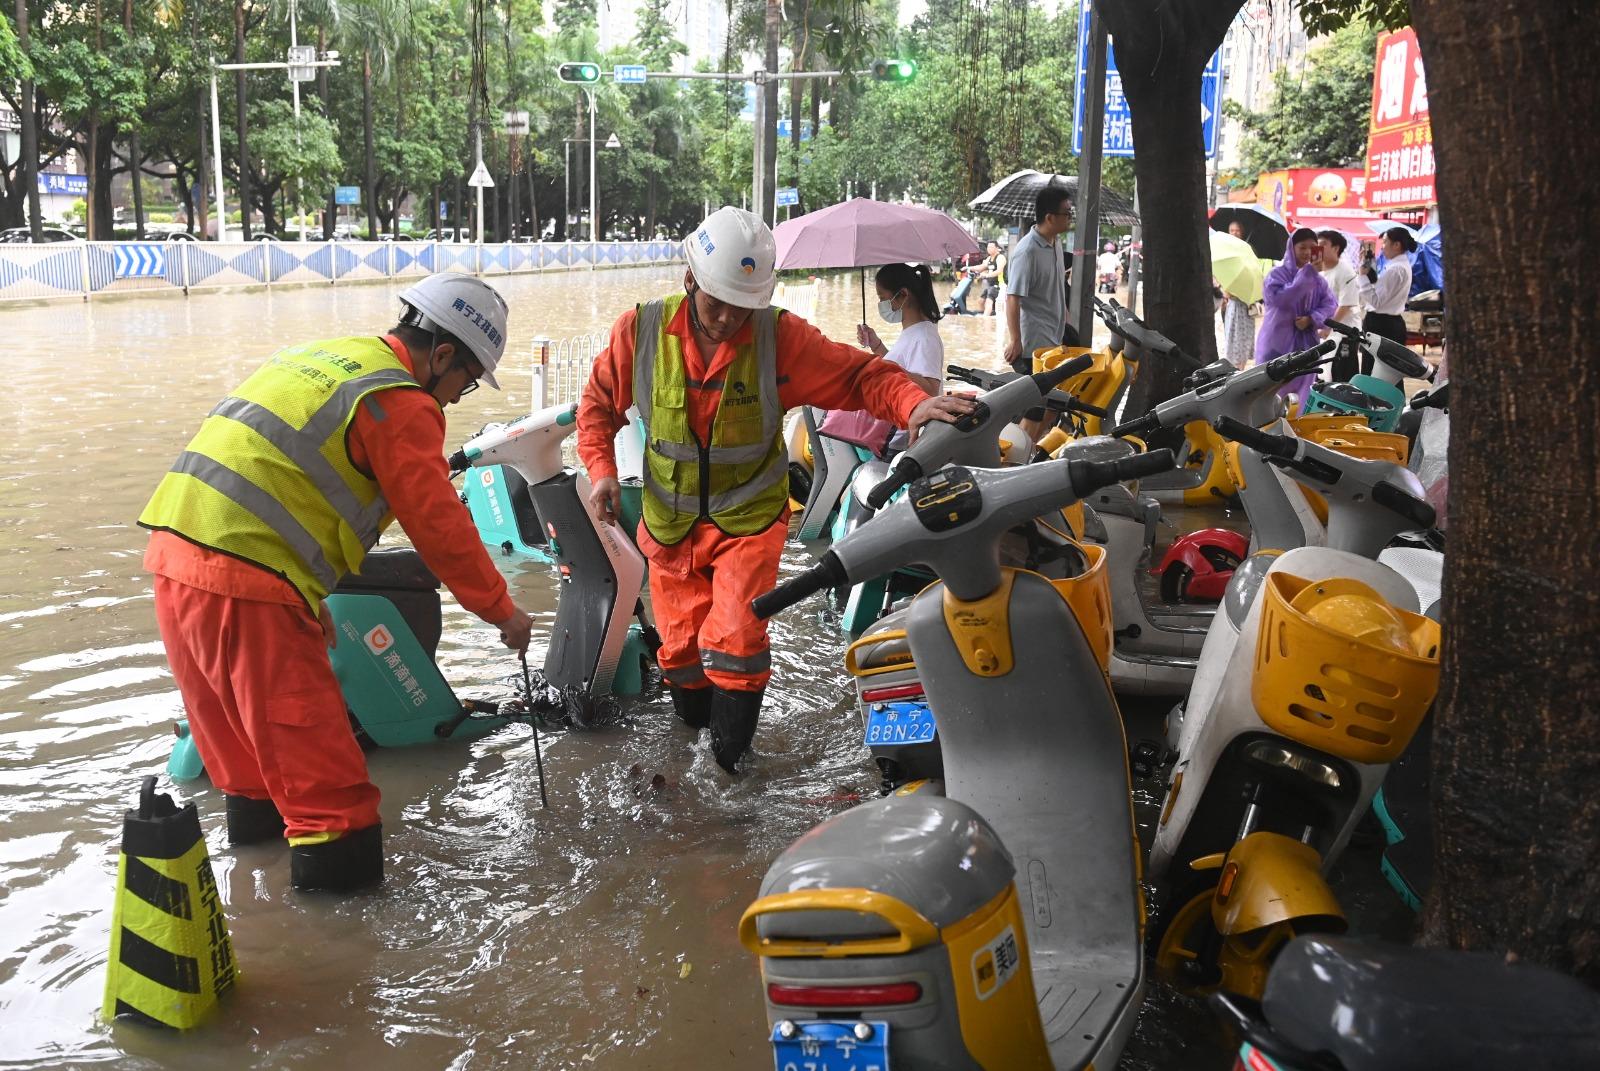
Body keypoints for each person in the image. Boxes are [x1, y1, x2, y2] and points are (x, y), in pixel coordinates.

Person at [139, 273, 535, 893]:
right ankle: (341, 970)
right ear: (443, 355)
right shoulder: (400, 401)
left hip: (174, 561)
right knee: (334, 805)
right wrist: (502, 610)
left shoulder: (325, 359)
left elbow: (277, 482)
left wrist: (306, 595)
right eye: (464, 381)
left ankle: (261, 919)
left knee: (250, 774)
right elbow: (440, 526)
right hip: (249, 586)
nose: (457, 400)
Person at [576, 208, 973, 774]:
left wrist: (915, 403)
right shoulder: (637, 333)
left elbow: (862, 377)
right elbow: (596, 410)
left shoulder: (779, 337)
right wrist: (601, 471)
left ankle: (728, 777)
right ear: (690, 280)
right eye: (718, 303)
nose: (729, 318)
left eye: (743, 307)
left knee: (735, 645)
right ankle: (693, 762)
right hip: (668, 529)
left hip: (748, 523)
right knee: (681, 654)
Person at [856, 262, 944, 451]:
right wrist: (876, 345)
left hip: (899, 442)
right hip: (886, 433)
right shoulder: (911, 332)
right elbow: (905, 368)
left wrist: (878, 366)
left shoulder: (925, 337)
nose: (881, 305)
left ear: (903, 294)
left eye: (883, 298)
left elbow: (930, 391)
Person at [1256, 227, 1337, 401]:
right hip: (1276, 344)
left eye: (1312, 247)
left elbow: (1330, 304)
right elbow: (1281, 300)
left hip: (1306, 346)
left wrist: (1312, 319)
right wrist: (1308, 274)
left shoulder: (1319, 280)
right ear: (1291, 248)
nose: (1307, 252)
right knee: (1273, 392)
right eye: (1302, 247)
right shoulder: (1276, 275)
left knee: (1301, 396)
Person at [1357, 227, 1418, 373]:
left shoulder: (1396, 269)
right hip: (1384, 323)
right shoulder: (1395, 266)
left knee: (1376, 372)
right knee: (1382, 371)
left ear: (1396, 245)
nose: (1382, 247)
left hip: (1382, 325)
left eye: (1385, 242)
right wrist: (1368, 269)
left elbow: (1375, 301)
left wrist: (1362, 276)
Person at [1317, 229, 1362, 379]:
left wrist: (1327, 327)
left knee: (1342, 375)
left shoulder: (1346, 272)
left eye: (1323, 245)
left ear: (1336, 248)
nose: (1318, 248)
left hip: (1344, 333)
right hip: (1327, 333)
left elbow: (1346, 305)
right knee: (1325, 374)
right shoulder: (1320, 272)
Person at [979, 240, 1007, 316]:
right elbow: (981, 267)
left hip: (1000, 285)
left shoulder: (1000, 257)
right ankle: (983, 316)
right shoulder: (989, 258)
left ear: (997, 248)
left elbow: (999, 271)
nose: (989, 248)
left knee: (988, 301)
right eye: (988, 247)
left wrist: (987, 275)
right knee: (981, 301)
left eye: (991, 247)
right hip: (990, 285)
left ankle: (985, 319)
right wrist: (969, 268)